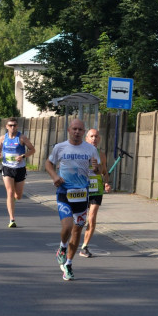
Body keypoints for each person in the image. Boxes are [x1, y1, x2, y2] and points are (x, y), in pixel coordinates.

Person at [44, 119, 99, 281]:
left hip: (82, 195)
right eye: (74, 129)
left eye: (80, 129)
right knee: (67, 226)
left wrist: (96, 168)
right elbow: (48, 163)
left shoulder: (90, 149)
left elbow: (98, 170)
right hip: (64, 193)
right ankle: (62, 247)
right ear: (69, 130)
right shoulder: (60, 147)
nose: (77, 132)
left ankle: (68, 264)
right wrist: (54, 176)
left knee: (77, 232)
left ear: (84, 132)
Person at [0, 118, 36, 228]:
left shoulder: (22, 138)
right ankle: (12, 219)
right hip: (7, 167)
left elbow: (32, 150)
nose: (13, 127)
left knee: (18, 196)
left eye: (14, 125)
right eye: (10, 125)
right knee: (9, 192)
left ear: (17, 126)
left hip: (20, 168)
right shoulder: (3, 138)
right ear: (7, 127)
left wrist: (23, 156)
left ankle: (13, 198)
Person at [79, 128, 112, 257]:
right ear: (86, 138)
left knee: (91, 218)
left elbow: (105, 172)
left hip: (96, 189)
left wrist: (106, 183)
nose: (94, 139)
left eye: (96, 136)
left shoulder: (101, 154)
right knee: (79, 220)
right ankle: (73, 240)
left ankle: (84, 246)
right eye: (91, 136)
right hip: (81, 189)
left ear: (99, 139)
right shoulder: (80, 152)